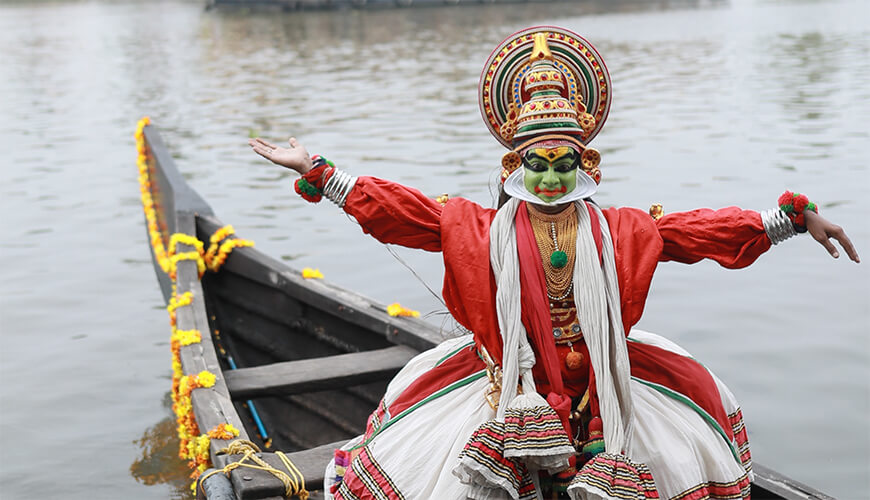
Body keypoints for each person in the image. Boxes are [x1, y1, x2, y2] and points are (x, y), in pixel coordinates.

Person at [249, 26, 858, 500]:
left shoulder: (621, 230)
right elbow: (403, 212)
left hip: (604, 384)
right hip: (506, 386)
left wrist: (791, 221)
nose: (547, 178)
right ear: (514, 165)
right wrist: (319, 172)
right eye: (534, 164)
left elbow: (696, 233)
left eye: (561, 162)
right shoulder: (479, 229)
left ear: (585, 164)